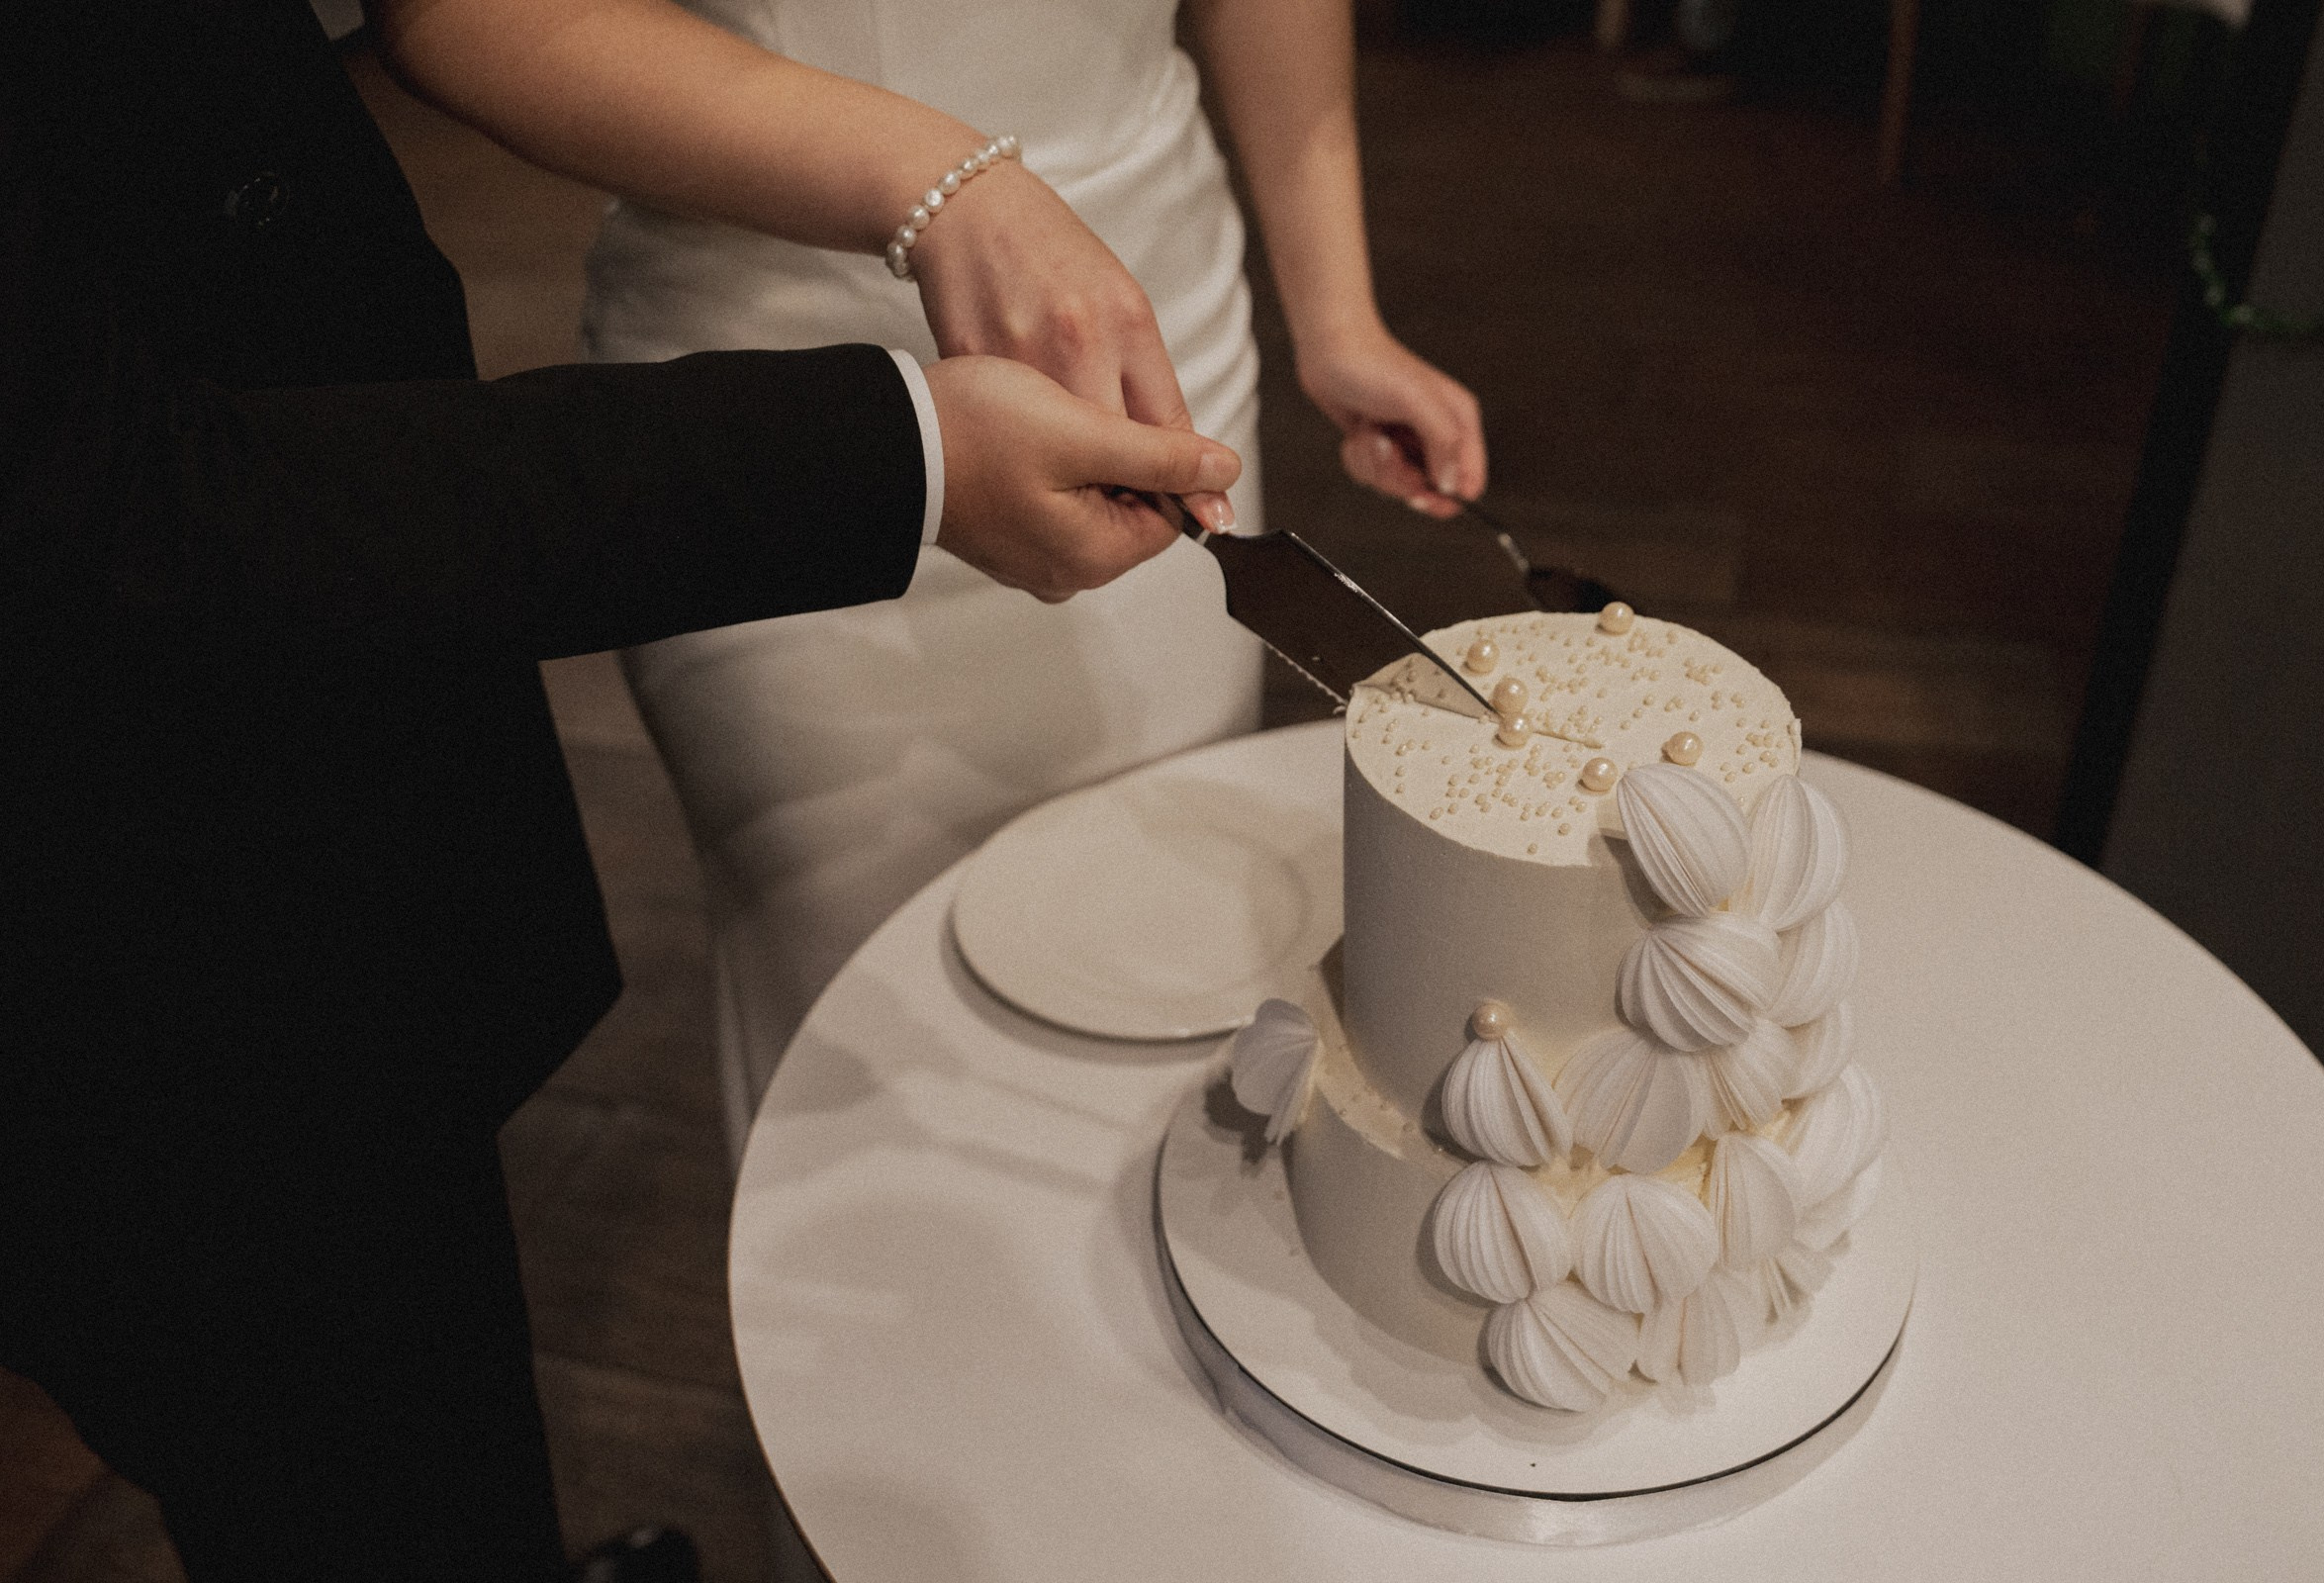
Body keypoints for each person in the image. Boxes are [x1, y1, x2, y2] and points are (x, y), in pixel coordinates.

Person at [0, 0, 1240, 1575]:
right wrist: (905, 449)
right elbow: (122, 514)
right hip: (117, 881)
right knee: (318, 1417)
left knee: (406, 1363)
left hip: (314, 738)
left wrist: (958, 184)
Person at [371, 0, 1492, 1154]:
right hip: (786, 360)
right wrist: (945, 186)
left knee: (1173, 970)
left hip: (1153, 303)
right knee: (873, 1057)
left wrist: (1336, 304)